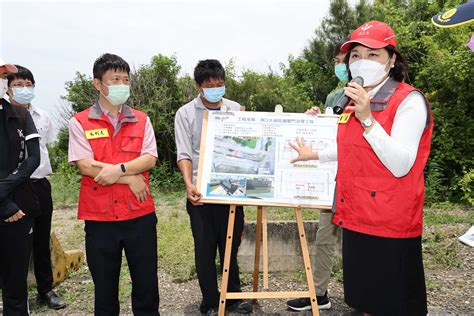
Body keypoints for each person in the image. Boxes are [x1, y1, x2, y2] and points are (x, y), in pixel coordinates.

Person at [290, 21, 433, 315]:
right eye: (355, 55)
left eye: (373, 54)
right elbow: (352, 150)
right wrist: (313, 154)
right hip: (356, 215)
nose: (362, 62)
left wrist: (368, 119)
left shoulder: (409, 100)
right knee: (365, 300)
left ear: (391, 60)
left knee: (393, 303)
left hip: (391, 222)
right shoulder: (353, 101)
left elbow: (401, 164)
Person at [68, 53, 159, 315]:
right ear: (98, 83)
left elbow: (149, 158)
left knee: (146, 285)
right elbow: (85, 166)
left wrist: (118, 170)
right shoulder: (80, 122)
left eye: (125, 79)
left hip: (139, 213)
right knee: (105, 289)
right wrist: (129, 176)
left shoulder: (142, 119)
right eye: (115, 79)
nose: (122, 84)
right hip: (100, 218)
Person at [174, 59, 252, 316]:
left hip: (232, 188)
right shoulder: (185, 114)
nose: (216, 89)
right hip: (201, 192)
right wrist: (189, 185)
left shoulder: (235, 109)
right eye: (210, 85)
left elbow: (246, 145)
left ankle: (234, 297)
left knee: (231, 243)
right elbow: (184, 154)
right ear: (199, 86)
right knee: (205, 248)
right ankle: (209, 300)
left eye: (220, 85)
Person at [287, 39, 348, 312]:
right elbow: (327, 137)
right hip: (332, 181)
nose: (339, 66)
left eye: (342, 61)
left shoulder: (376, 95)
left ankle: (366, 295)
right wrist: (313, 119)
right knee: (325, 238)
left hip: (362, 181)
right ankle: (319, 293)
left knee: (358, 243)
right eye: (337, 62)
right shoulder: (334, 98)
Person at [6, 65, 66, 310]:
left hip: (40, 185)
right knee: (15, 244)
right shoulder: (4, 116)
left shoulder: (43, 116)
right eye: (18, 85)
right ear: (7, 89)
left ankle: (46, 289)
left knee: (42, 239)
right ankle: (15, 294)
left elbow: (45, 146)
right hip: (13, 189)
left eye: (28, 85)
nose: (24, 89)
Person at [0, 59, 41, 315]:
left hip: (18, 208)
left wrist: (2, 193)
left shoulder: (21, 115)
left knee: (16, 282)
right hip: (7, 204)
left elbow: (33, 159)